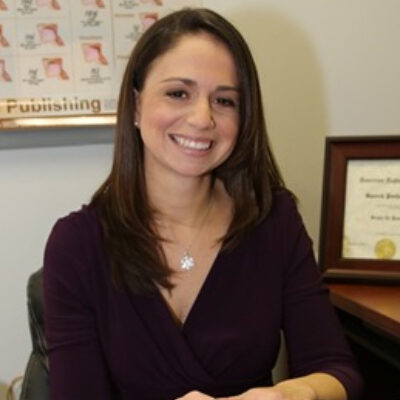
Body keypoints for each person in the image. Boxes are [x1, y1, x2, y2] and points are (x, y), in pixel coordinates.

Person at [43, 8, 363, 400]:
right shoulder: (77, 244)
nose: (202, 118)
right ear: (137, 104)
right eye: (178, 93)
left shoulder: (274, 220)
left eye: (224, 100)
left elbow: (337, 371)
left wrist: (292, 395)